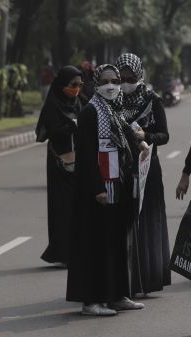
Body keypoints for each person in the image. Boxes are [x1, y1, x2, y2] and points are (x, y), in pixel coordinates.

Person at [66, 64, 146, 316]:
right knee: (96, 244)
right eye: (106, 81)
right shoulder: (91, 112)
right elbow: (88, 154)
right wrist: (98, 187)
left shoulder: (114, 110)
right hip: (99, 190)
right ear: (96, 83)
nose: (112, 86)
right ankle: (91, 300)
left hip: (118, 185)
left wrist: (141, 142)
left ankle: (117, 295)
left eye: (116, 80)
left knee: (116, 242)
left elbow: (126, 135)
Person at [116, 53, 171, 296]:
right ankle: (122, 279)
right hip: (120, 169)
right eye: (122, 77)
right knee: (124, 221)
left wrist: (145, 136)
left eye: (131, 77)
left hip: (147, 167)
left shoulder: (152, 99)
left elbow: (164, 135)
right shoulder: (112, 101)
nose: (126, 81)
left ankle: (147, 277)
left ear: (139, 75)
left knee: (147, 219)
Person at [35, 66, 86, 266]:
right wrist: (70, 126)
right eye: (73, 84)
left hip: (80, 161)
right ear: (63, 84)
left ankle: (78, 249)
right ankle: (63, 252)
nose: (76, 89)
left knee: (78, 206)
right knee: (62, 208)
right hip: (59, 163)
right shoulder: (53, 105)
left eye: (80, 85)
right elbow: (49, 132)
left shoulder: (79, 102)